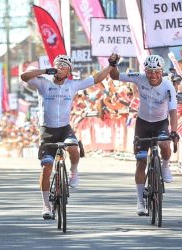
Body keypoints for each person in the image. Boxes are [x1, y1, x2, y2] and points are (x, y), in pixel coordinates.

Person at [20, 54, 117, 219]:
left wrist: (110, 65)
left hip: (64, 128)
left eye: (64, 66)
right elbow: (24, 76)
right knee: (46, 168)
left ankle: (73, 171)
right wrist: (44, 70)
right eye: (57, 65)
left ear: (69, 71)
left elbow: (97, 78)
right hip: (47, 131)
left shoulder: (72, 85)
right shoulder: (43, 83)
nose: (60, 68)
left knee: (73, 147)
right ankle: (46, 205)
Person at [109, 55, 179, 215]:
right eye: (149, 72)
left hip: (161, 122)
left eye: (156, 72)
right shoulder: (139, 78)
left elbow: (173, 111)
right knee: (141, 162)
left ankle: (165, 165)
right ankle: (140, 201)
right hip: (143, 124)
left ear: (162, 71)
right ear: (144, 71)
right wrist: (113, 64)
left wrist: (174, 131)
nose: (153, 75)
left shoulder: (168, 86)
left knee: (165, 144)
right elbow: (115, 76)